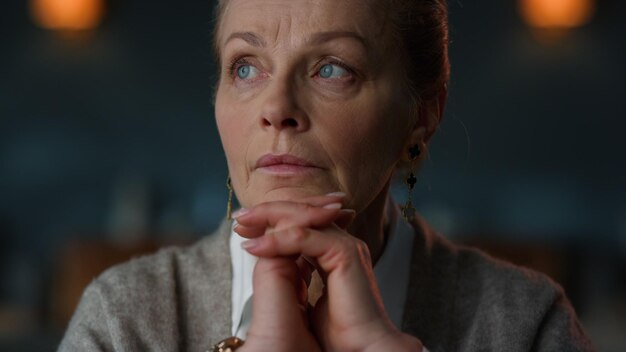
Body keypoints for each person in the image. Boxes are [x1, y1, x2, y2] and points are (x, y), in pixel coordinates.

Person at [59, 0, 594, 351]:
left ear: (422, 114)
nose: (276, 108)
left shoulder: (525, 323)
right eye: (245, 66)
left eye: (332, 68)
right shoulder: (123, 319)